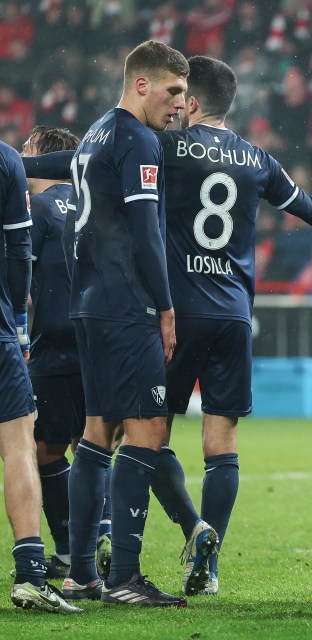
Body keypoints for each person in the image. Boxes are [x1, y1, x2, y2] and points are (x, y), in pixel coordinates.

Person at [149, 55, 312, 596]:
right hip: (232, 315)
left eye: (179, 95)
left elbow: (92, 162)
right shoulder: (255, 158)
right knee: (222, 441)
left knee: (146, 435)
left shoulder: (166, 146)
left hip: (176, 313)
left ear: (192, 102)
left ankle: (191, 526)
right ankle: (210, 563)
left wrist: (19, 164)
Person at [61, 40, 191, 607]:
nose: (181, 104)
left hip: (89, 302)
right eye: (174, 90)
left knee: (96, 434)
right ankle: (125, 579)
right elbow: (145, 231)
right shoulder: (138, 138)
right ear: (142, 84)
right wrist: (164, 307)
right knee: (148, 431)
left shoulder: (95, 132)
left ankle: (82, 570)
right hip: (126, 304)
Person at [1, 139, 81, 613]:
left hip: (53, 342)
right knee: (20, 447)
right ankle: (31, 574)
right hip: (14, 334)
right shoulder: (7, 160)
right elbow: (18, 249)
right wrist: (16, 322)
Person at [20, 125, 86, 582]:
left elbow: (19, 278)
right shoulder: (93, 204)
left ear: (46, 156)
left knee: (46, 448)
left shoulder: (39, 208)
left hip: (53, 345)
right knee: (96, 445)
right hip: (99, 339)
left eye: (28, 149)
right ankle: (98, 544)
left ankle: (66, 547)